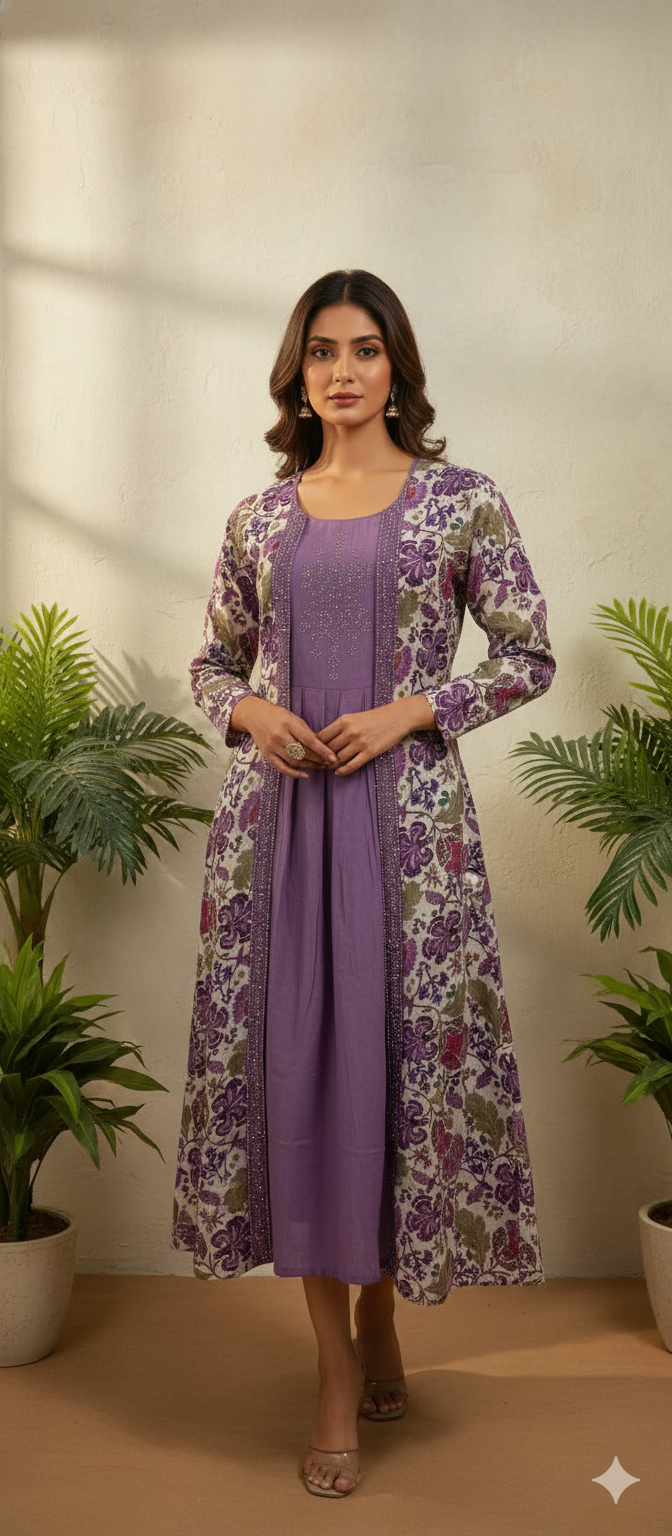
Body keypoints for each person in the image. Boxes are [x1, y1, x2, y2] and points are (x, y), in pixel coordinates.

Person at [172, 269, 556, 1498]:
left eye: (367, 349)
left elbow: (529, 654)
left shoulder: (462, 502)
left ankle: (384, 1316)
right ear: (298, 373)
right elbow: (212, 660)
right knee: (299, 1076)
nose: (344, 371)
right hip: (277, 835)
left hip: (412, 843)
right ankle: (336, 1371)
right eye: (324, 351)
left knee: (389, 1077)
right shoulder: (259, 519)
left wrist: (412, 710)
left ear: (398, 369)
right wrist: (252, 713)